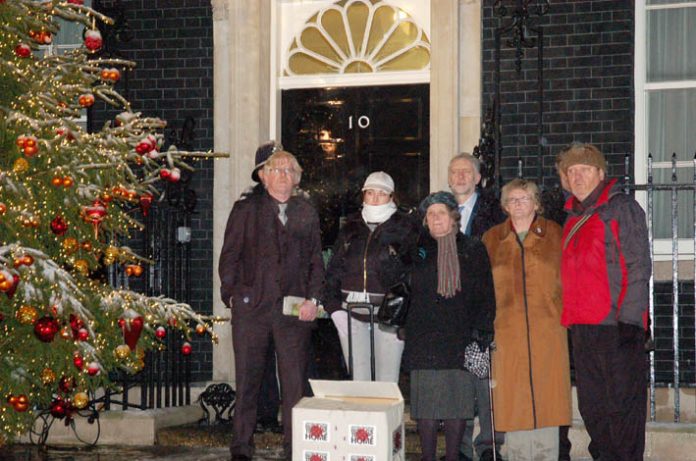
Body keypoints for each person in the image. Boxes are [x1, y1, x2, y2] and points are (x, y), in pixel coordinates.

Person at [219, 146, 325, 461]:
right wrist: (234, 295)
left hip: (293, 313)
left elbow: (315, 262)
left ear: (296, 179)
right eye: (275, 170)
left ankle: (295, 448)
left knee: (294, 386)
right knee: (248, 381)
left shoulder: (306, 212)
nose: (282, 175)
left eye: (288, 171)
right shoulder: (245, 210)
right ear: (263, 177)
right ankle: (241, 447)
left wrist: (314, 300)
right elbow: (229, 258)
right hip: (251, 312)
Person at [558, 143, 650, 461]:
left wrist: (632, 321)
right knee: (594, 409)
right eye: (571, 171)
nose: (577, 176)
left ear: (600, 172)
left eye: (584, 169)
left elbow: (638, 265)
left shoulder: (620, 208)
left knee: (622, 408)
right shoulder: (572, 216)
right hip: (583, 328)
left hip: (616, 327)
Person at [482, 179, 572, 461]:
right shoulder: (492, 238)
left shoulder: (555, 234)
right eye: (512, 199)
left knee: (548, 398)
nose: (518, 204)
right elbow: (482, 287)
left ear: (536, 203)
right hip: (506, 331)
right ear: (504, 206)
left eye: (524, 198)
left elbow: (570, 279)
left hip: (548, 329)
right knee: (514, 398)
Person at [403, 191, 496, 461]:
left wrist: (482, 329)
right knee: (427, 406)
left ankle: (453, 456)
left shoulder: (472, 248)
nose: (436, 218)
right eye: (430, 214)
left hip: (459, 335)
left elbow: (485, 292)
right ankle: (429, 457)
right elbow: (395, 279)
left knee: (457, 404)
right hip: (424, 336)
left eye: (441, 213)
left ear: (454, 217)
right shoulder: (418, 248)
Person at [323, 171, 420, 382]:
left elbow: (412, 272)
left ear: (391, 197)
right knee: (359, 380)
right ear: (363, 195)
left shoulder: (405, 227)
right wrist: (333, 308)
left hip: (389, 315)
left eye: (382, 193)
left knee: (387, 380)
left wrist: (403, 313)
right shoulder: (351, 227)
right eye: (370, 193)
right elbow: (334, 270)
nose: (375, 198)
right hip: (352, 313)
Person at [448, 153, 505, 461]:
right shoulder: (438, 210)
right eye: (454, 172)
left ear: (478, 178)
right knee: (457, 380)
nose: (459, 177)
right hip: (449, 311)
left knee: (484, 379)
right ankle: (460, 446)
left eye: (466, 172)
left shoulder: (494, 212)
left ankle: (488, 446)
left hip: (482, 305)